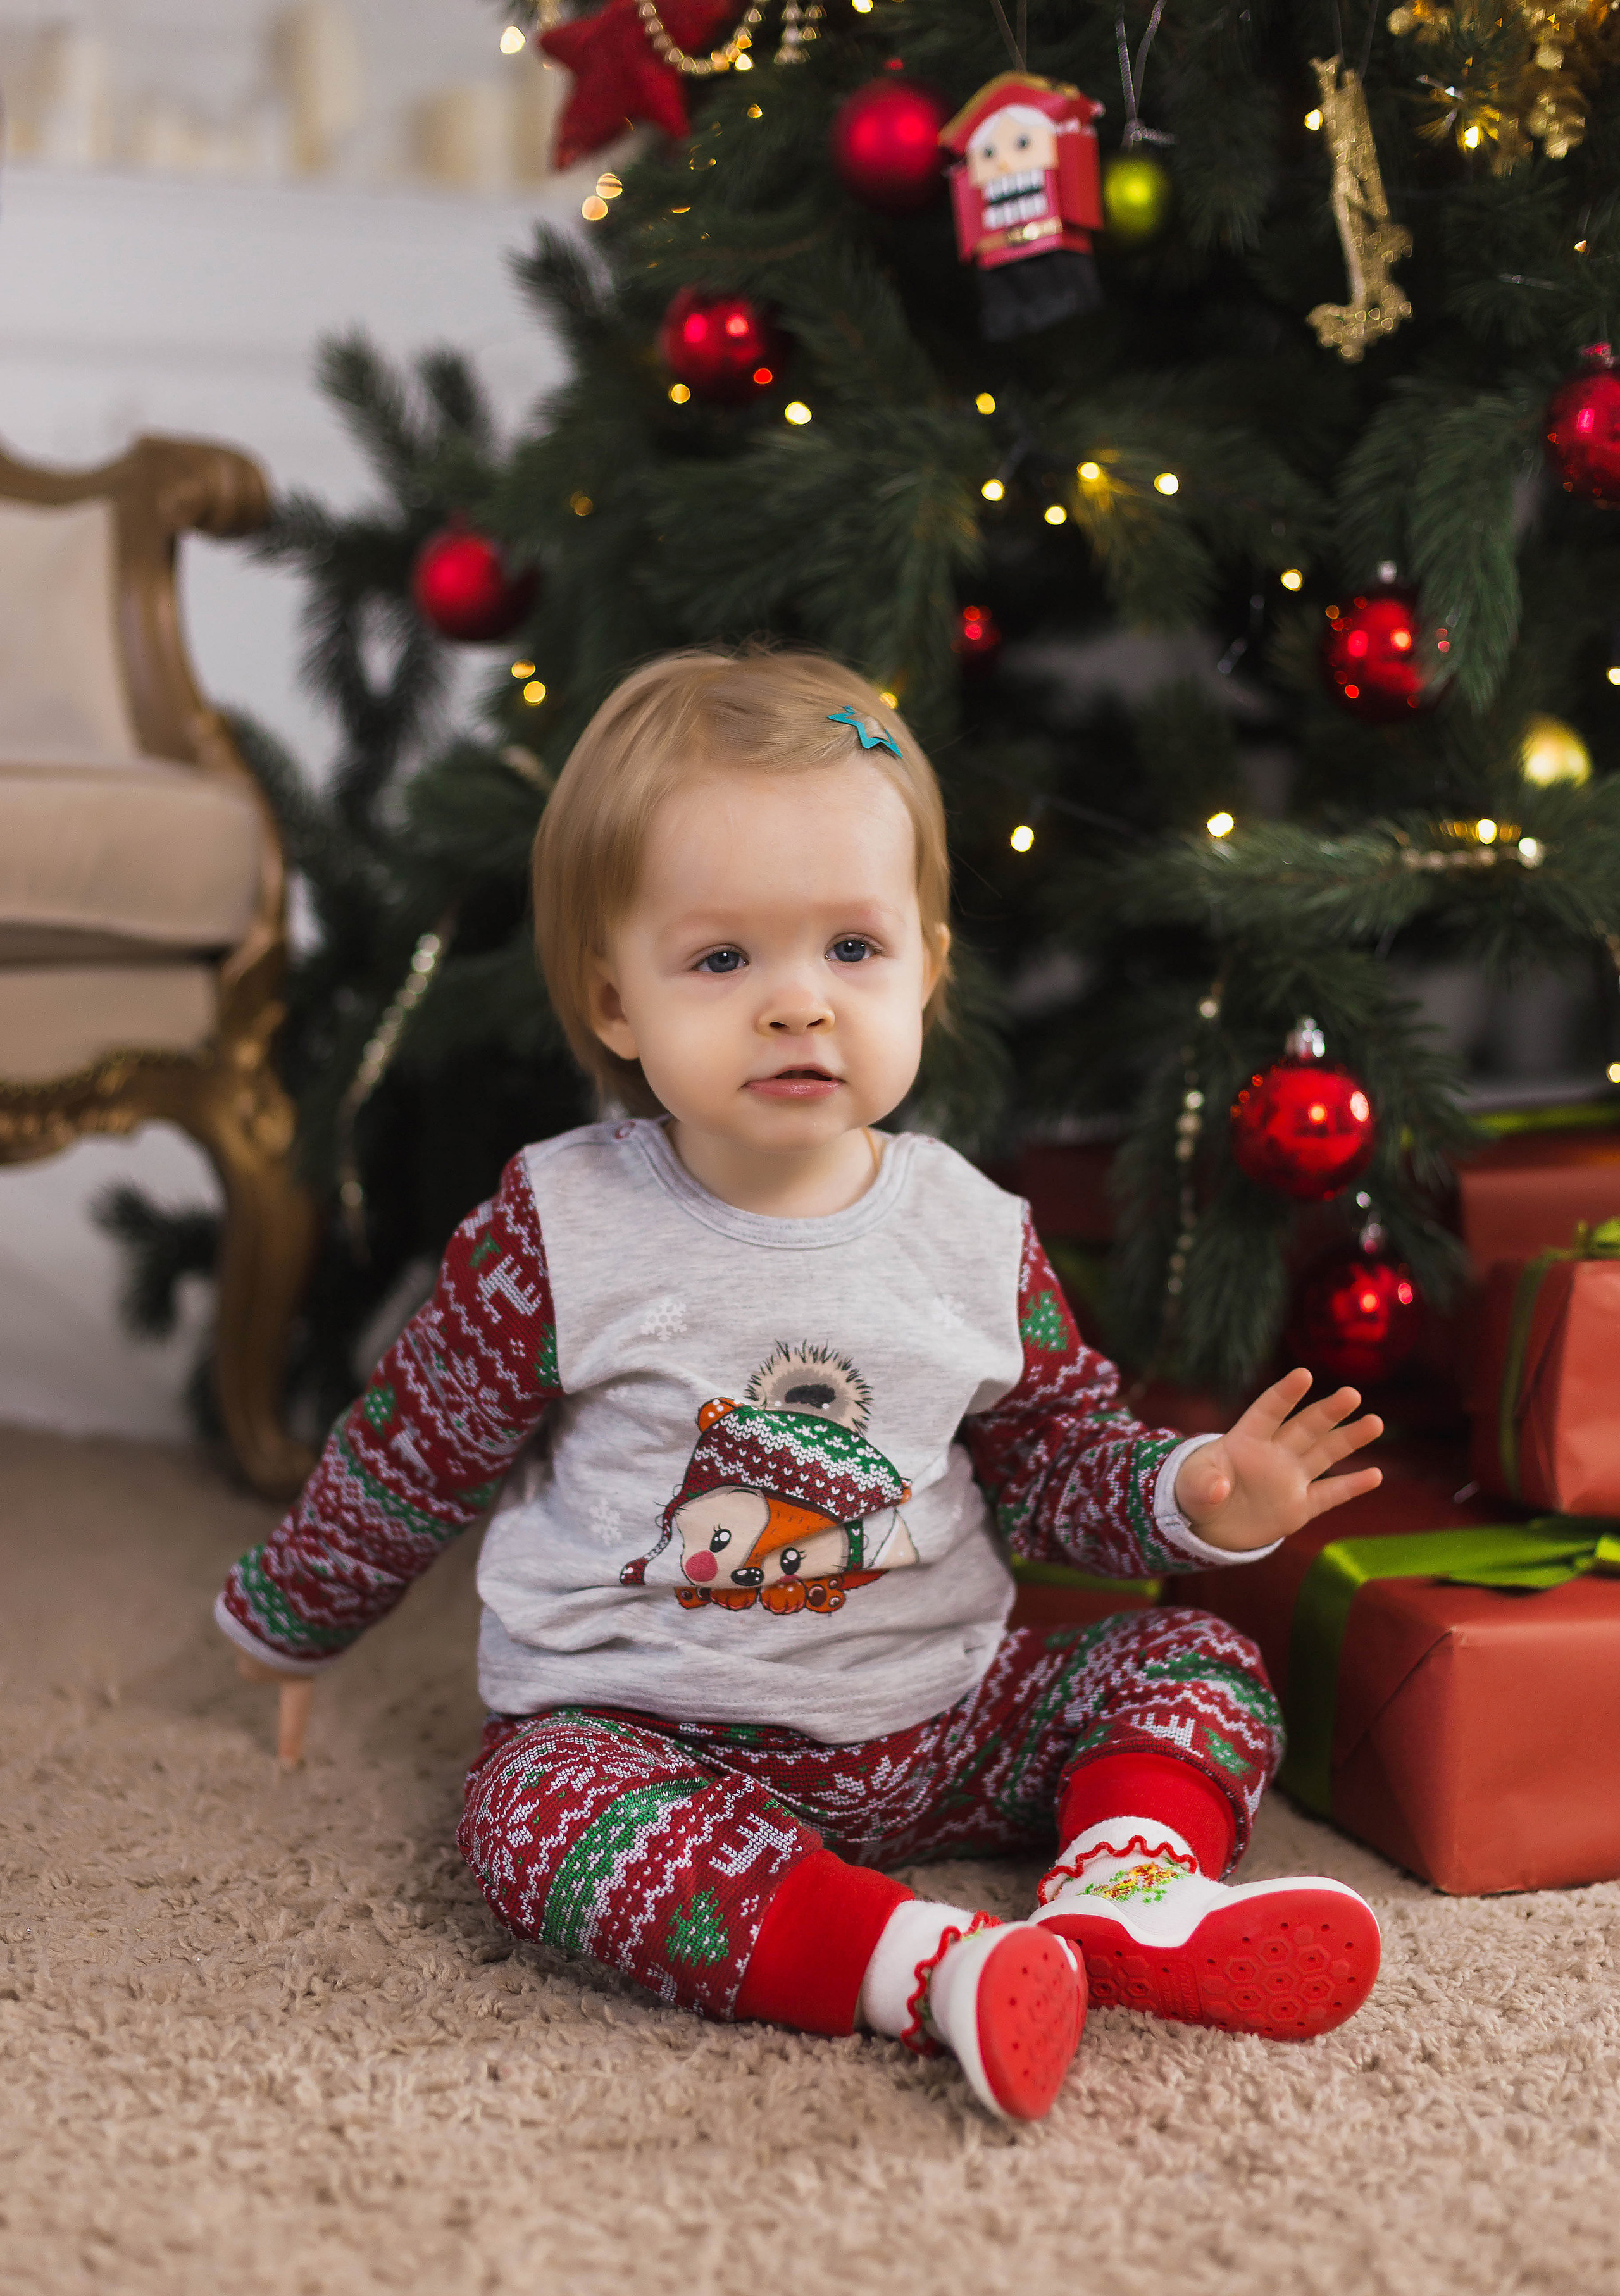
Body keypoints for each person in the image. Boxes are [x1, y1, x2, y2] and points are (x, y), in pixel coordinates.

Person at [222, 647, 1385, 2123]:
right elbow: (412, 1453)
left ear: (926, 971)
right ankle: (923, 1966)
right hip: (649, 1727)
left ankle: (1123, 1896)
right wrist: (289, 1619)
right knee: (529, 1826)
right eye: (721, 961)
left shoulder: (969, 1230)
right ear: (617, 1002)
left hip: (941, 1718)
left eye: (851, 950)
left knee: (1190, 1671)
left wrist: (1193, 1494)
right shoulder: (559, 1230)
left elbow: (1050, 1449)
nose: (796, 1006)